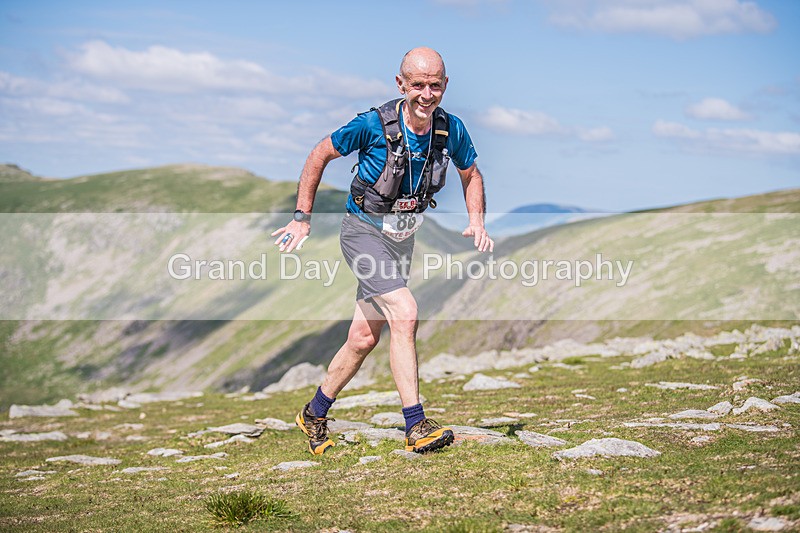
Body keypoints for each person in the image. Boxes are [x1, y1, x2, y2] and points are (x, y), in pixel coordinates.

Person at [272, 47, 493, 455]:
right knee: (405, 314)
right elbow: (319, 153)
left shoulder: (451, 129)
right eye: (418, 85)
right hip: (362, 232)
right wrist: (302, 216)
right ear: (401, 84)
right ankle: (416, 425)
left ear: (446, 85)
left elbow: (471, 173)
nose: (427, 94)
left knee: (362, 337)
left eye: (435, 86)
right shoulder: (371, 125)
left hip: (401, 239)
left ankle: (313, 412)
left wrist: (476, 220)